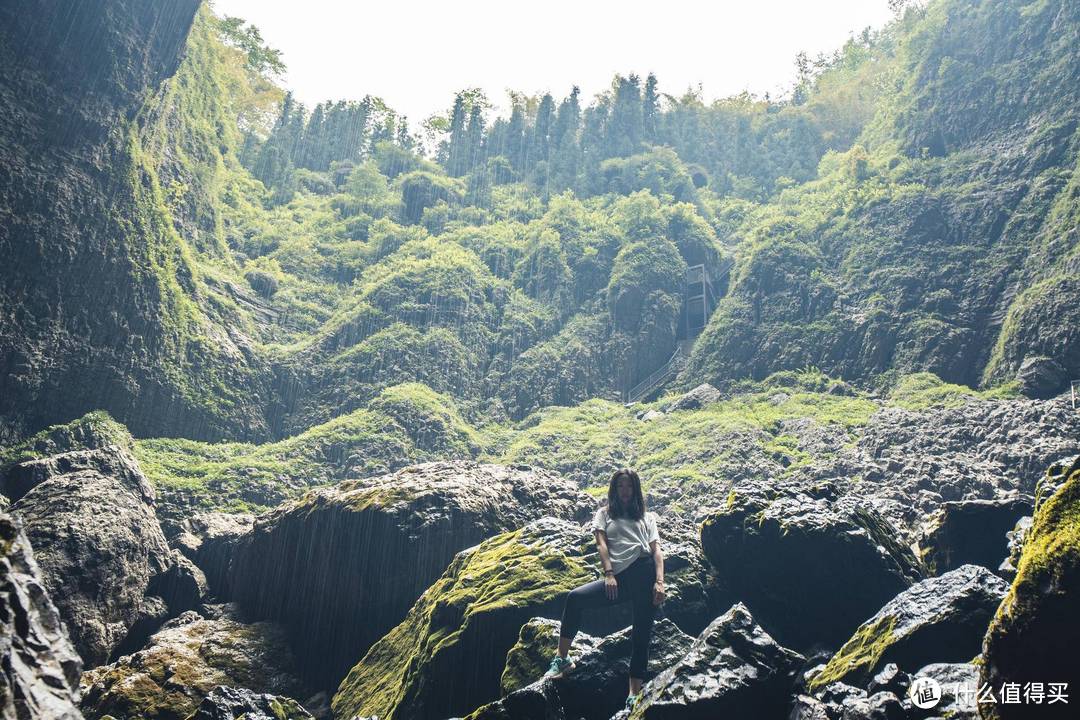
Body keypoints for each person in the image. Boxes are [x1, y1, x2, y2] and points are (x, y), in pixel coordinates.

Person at [543, 467, 666, 713]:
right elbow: (601, 544)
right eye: (621, 485)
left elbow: (656, 551)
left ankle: (634, 694)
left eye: (629, 486)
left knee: (641, 634)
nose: (625, 491)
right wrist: (609, 574)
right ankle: (563, 659)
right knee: (575, 598)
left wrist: (660, 582)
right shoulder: (604, 514)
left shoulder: (647, 517)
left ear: (636, 489)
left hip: (645, 575)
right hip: (619, 578)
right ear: (614, 488)